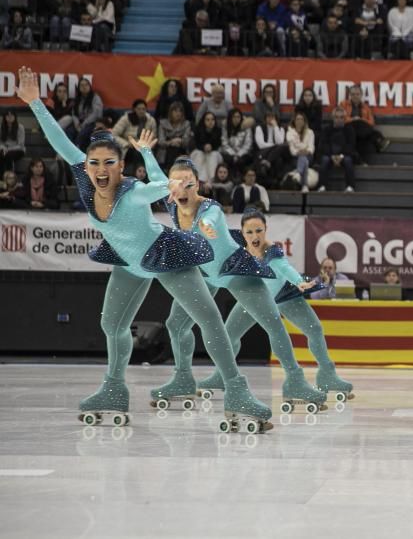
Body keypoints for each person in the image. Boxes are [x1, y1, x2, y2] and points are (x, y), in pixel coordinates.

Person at [14, 67, 271, 432]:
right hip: (128, 262)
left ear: (120, 167)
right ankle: (114, 390)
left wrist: (172, 181)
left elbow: (162, 186)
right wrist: (36, 103)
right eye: (94, 163)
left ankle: (237, 391)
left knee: (209, 318)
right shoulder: (84, 178)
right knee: (111, 323)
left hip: (165, 256)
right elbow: (59, 140)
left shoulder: (135, 191)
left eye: (109, 163)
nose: (100, 170)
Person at [140, 154, 327, 412]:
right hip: (205, 274)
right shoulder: (172, 202)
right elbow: (157, 176)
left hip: (234, 269)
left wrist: (204, 226)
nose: (182, 188)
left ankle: (294, 380)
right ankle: (183, 378)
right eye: (176, 183)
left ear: (198, 184)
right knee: (175, 324)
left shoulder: (210, 208)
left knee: (272, 321)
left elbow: (213, 219)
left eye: (189, 183)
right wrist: (146, 151)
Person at [223, 211, 354, 401]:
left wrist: (299, 281)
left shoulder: (272, 251)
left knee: (315, 328)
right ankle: (223, 375)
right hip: (255, 297)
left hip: (283, 293)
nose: (254, 236)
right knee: (228, 336)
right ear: (242, 232)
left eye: (259, 230)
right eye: (249, 232)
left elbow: (284, 267)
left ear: (266, 229)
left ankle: (327, 375)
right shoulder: (236, 246)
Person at [340, 85, 390, 164]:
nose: (355, 96)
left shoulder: (366, 107)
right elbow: (340, 118)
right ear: (349, 95)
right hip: (348, 129)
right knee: (360, 127)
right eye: (353, 94)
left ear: (361, 95)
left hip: (362, 131)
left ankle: (362, 162)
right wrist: (353, 119)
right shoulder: (343, 104)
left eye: (357, 94)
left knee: (361, 127)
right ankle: (378, 139)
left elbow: (371, 122)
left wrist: (360, 119)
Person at [318, 107, 357, 192]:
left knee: (348, 161)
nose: (339, 119)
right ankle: (322, 186)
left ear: (344, 118)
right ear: (333, 118)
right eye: (336, 117)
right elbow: (323, 145)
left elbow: (351, 145)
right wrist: (332, 156)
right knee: (324, 160)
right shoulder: (327, 129)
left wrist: (341, 156)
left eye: (341, 117)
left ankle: (350, 186)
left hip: (344, 154)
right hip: (330, 154)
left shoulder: (349, 129)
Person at [287, 111, 315, 193]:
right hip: (295, 157)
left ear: (304, 121)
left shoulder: (310, 132)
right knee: (304, 161)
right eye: (297, 119)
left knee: (304, 158)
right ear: (294, 121)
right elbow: (292, 150)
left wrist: (304, 150)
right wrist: (300, 151)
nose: (299, 121)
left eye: (301, 119)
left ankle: (298, 173)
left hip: (308, 156)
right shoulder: (290, 133)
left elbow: (311, 148)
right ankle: (305, 186)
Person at [0, 109, 25, 174]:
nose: (10, 117)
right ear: (4, 117)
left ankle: (10, 178)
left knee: (8, 156)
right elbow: (0, 142)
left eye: (12, 115)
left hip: (18, 150)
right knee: (1, 155)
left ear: (15, 117)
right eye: (7, 115)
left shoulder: (20, 127)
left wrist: (8, 149)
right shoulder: (1, 127)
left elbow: (20, 144)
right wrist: (3, 147)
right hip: (4, 149)